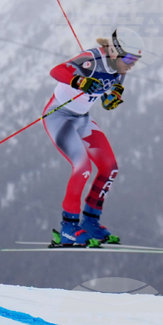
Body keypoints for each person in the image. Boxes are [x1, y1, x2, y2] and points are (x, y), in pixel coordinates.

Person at [43, 28, 144, 246]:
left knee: (110, 167)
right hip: (59, 117)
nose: (132, 63)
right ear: (115, 52)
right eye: (129, 57)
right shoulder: (93, 58)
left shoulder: (121, 69)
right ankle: (68, 227)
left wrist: (112, 100)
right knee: (83, 167)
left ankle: (90, 222)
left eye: (136, 59)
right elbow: (57, 71)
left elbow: (114, 92)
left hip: (82, 119)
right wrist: (81, 82)